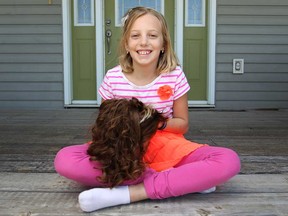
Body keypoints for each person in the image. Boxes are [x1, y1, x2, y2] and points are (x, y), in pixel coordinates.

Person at [54, 6, 241, 212]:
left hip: (165, 144)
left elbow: (182, 124)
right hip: (122, 146)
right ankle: (180, 181)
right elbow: (105, 126)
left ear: (163, 44)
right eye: (135, 36)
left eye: (152, 35)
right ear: (126, 44)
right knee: (64, 159)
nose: (144, 42)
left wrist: (152, 122)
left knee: (228, 160)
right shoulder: (113, 78)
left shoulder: (174, 76)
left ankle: (129, 192)